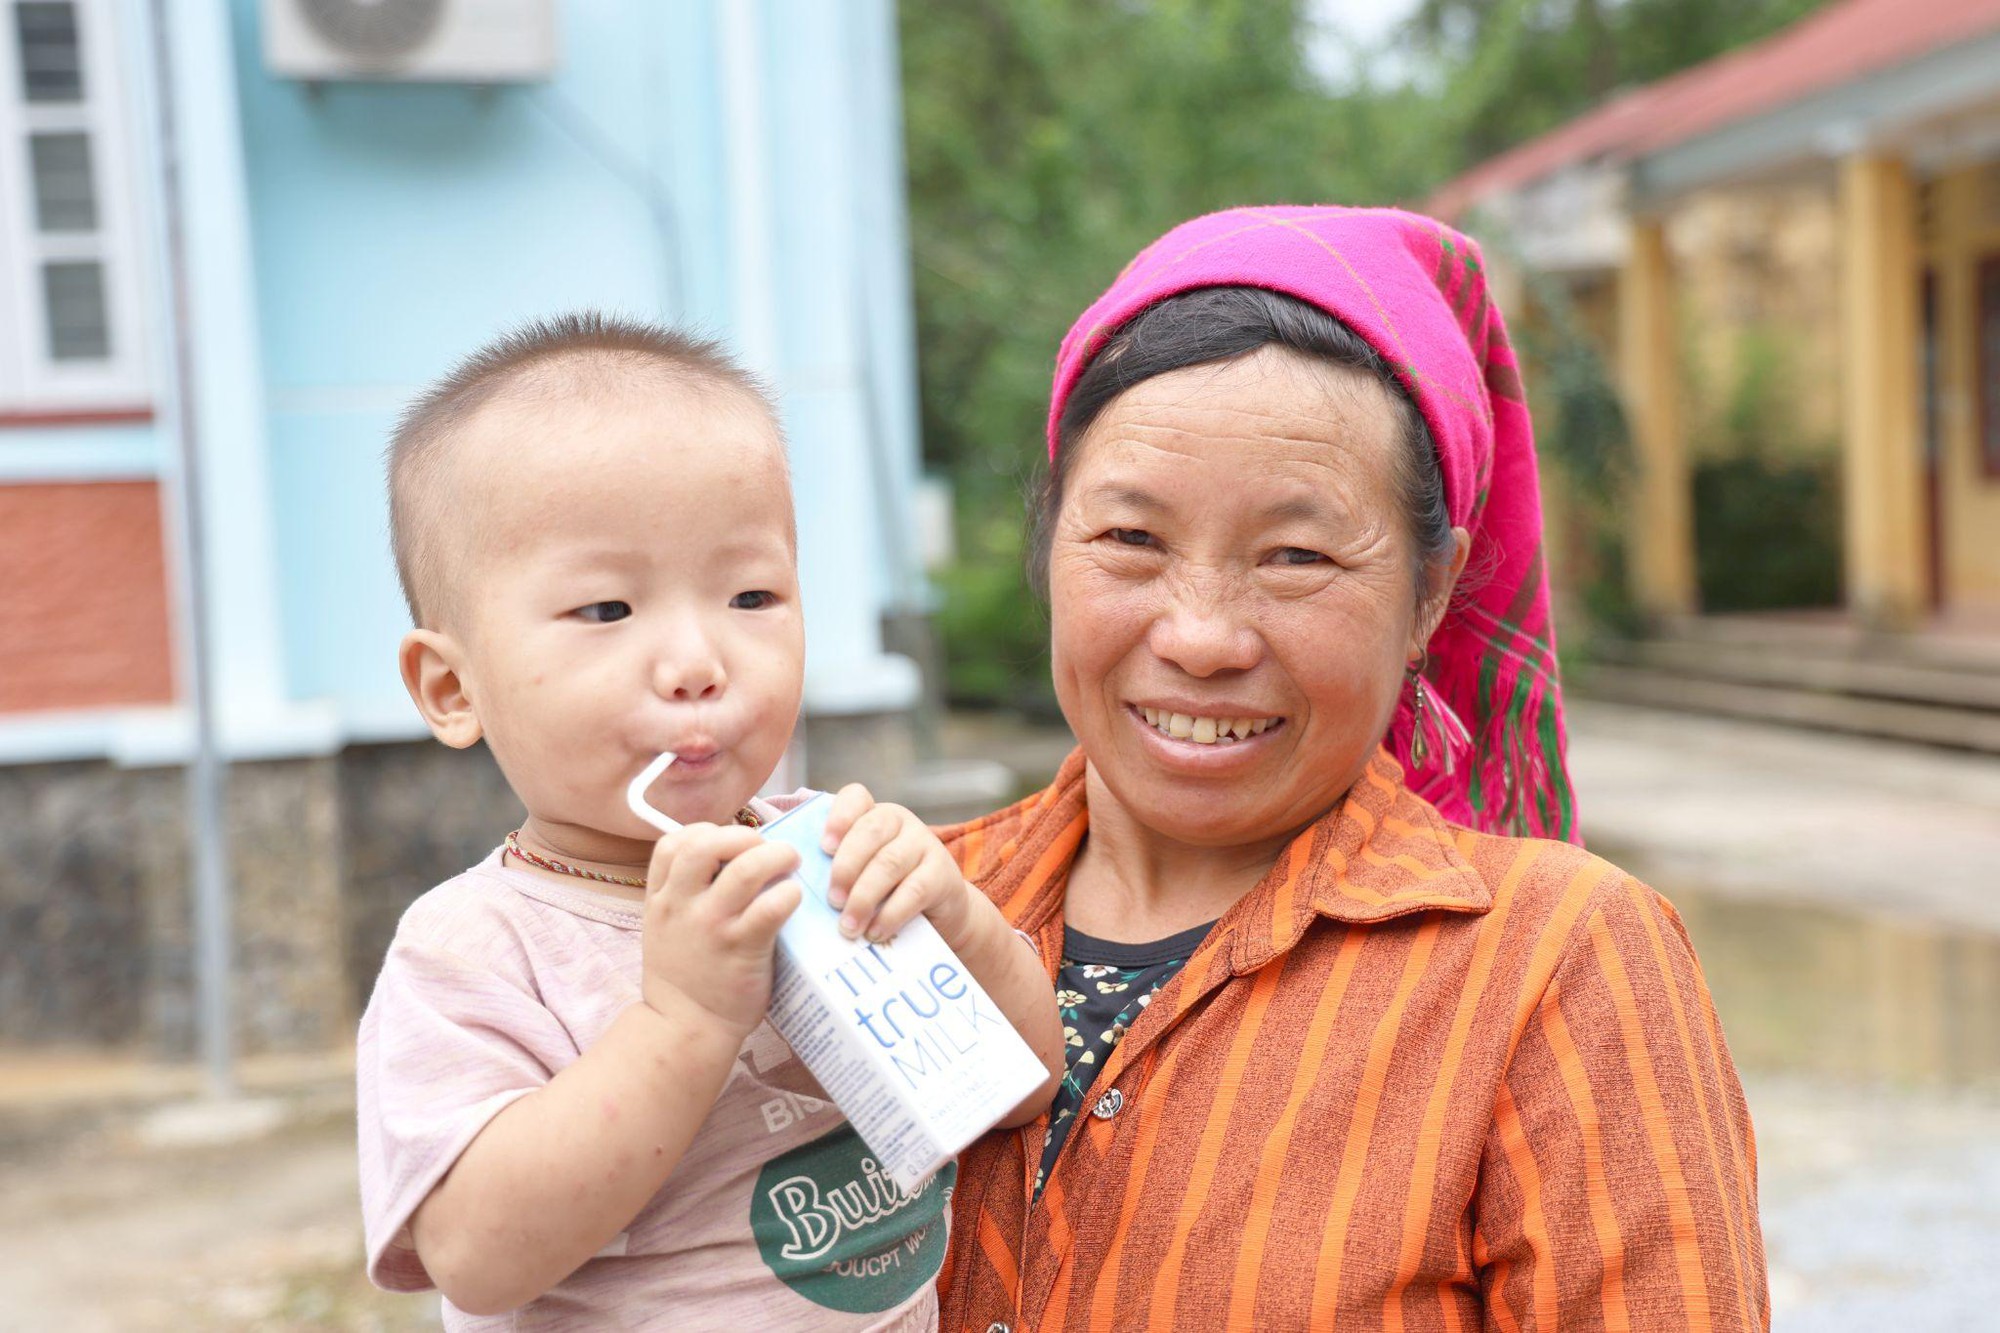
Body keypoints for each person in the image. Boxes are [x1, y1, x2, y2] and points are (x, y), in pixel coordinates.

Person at [935, 208, 1767, 1330]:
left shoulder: (1553, 961)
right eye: (1130, 539)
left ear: (1429, 593)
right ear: (1049, 540)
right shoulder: (887, 913)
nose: (1199, 635)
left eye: (1295, 556)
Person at [355, 313, 1063, 1330]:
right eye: (607, 610)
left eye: (749, 593)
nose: (697, 660)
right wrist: (682, 1021)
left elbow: (1025, 1086)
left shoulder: (824, 850)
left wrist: (958, 922)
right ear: (451, 686)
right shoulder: (472, 948)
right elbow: (474, 1255)